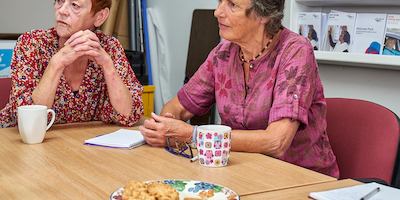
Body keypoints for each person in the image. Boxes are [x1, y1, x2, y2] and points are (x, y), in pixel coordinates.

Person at [140, 0, 339, 178]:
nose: (217, 12)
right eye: (220, 1)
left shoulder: (295, 51)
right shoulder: (223, 54)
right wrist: (165, 126)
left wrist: (193, 135)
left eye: (232, 5)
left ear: (263, 15)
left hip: (300, 179)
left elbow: (276, 142)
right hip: (243, 173)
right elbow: (178, 107)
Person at [0, 0, 143, 128]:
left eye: (74, 5)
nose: (62, 10)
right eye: (60, 1)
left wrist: (107, 65)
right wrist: (57, 63)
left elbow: (129, 116)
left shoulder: (110, 47)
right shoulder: (32, 44)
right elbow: (28, 121)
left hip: (82, 146)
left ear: (100, 16)